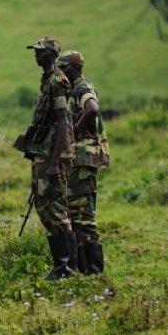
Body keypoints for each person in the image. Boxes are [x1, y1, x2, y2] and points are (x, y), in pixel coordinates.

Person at [16, 36, 76, 280]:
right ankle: (62, 265)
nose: (36, 55)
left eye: (40, 51)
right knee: (44, 207)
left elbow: (63, 121)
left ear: (51, 54)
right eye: (35, 51)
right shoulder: (46, 81)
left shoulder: (58, 82)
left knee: (56, 209)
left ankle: (67, 268)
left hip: (54, 155)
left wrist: (54, 162)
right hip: (43, 154)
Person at [57, 51, 110, 275]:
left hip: (83, 157)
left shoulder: (81, 87)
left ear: (75, 68)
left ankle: (94, 271)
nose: (61, 71)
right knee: (74, 214)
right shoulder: (70, 90)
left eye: (64, 67)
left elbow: (93, 109)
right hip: (76, 159)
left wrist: (75, 131)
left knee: (83, 215)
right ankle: (83, 269)